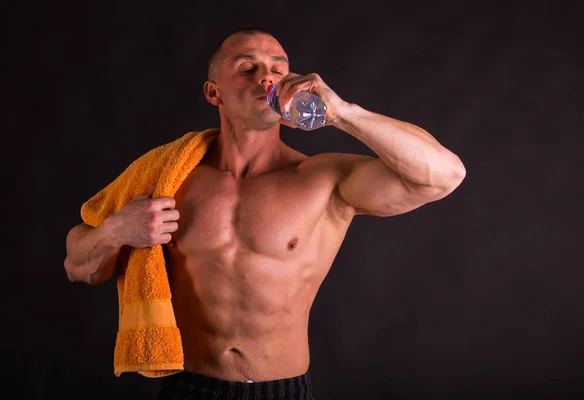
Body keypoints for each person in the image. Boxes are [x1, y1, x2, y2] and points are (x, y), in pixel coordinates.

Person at [63, 27, 466, 400]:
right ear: (213, 92)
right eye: (246, 68)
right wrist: (116, 230)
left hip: (281, 390)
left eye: (278, 68)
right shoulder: (171, 176)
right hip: (187, 386)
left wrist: (342, 112)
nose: (266, 77)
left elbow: (443, 176)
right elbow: (77, 262)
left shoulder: (322, 180)